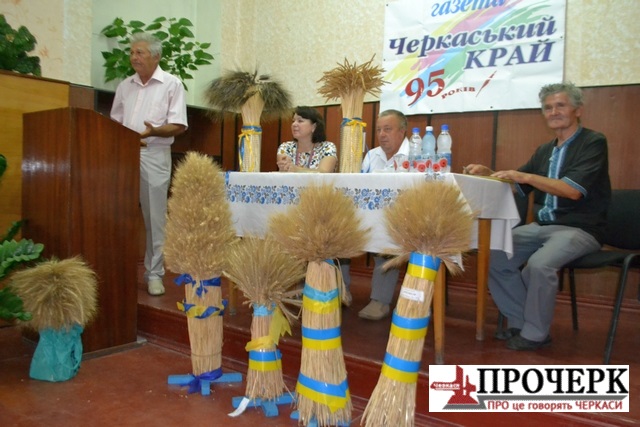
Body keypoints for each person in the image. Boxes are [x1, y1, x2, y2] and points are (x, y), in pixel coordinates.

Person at [465, 82, 611, 351]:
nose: (553, 112)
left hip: (581, 229)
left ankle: (536, 334)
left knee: (539, 265)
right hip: (542, 227)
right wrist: (489, 173)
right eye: (548, 107)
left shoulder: (593, 142)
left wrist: (526, 176)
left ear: (578, 110)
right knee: (493, 253)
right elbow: (516, 186)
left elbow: (571, 191)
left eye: (560, 105)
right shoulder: (545, 151)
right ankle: (522, 321)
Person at [110, 32, 188, 296]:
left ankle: (154, 274)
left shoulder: (171, 84)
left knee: (155, 218)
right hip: (123, 155)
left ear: (156, 56)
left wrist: (154, 131)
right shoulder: (125, 86)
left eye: (140, 52)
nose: (134, 57)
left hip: (153, 154)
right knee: (117, 213)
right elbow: (114, 123)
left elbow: (178, 125)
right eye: (132, 52)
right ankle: (118, 271)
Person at [343, 109, 410, 320]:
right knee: (337, 232)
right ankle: (340, 291)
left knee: (386, 237)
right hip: (370, 215)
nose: (381, 134)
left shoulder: (417, 154)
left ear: (402, 131)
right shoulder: (372, 155)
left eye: (387, 129)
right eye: (379, 129)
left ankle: (380, 300)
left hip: (403, 219)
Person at [276, 106, 337, 173]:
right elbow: (284, 172)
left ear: (314, 126)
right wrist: (284, 167)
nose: (294, 124)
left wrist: (297, 169)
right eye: (293, 121)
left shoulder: (327, 147)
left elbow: (325, 173)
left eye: (300, 121)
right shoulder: (286, 147)